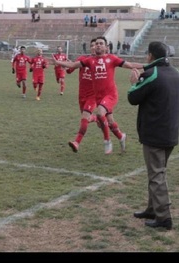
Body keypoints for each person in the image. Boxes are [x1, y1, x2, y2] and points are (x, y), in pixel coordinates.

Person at [51, 36, 144, 154]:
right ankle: (121, 136)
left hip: (110, 95)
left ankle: (107, 141)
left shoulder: (112, 58)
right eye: (96, 44)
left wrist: (146, 66)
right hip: (99, 96)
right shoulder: (89, 61)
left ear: (106, 47)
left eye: (101, 43)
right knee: (109, 121)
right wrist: (57, 62)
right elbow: (74, 65)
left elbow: (130, 64)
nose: (98, 45)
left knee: (100, 113)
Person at [128, 42, 179, 231]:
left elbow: (133, 98)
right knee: (157, 172)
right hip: (171, 132)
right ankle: (153, 209)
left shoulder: (152, 74)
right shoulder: (175, 72)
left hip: (155, 134)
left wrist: (134, 83)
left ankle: (164, 218)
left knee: (156, 175)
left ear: (150, 56)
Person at [66, 38, 98, 152]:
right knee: (86, 118)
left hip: (93, 96)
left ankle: (77, 142)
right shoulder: (82, 59)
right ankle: (96, 118)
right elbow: (69, 71)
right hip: (81, 95)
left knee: (84, 118)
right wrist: (65, 64)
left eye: (96, 45)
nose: (94, 47)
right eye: (92, 45)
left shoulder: (101, 62)